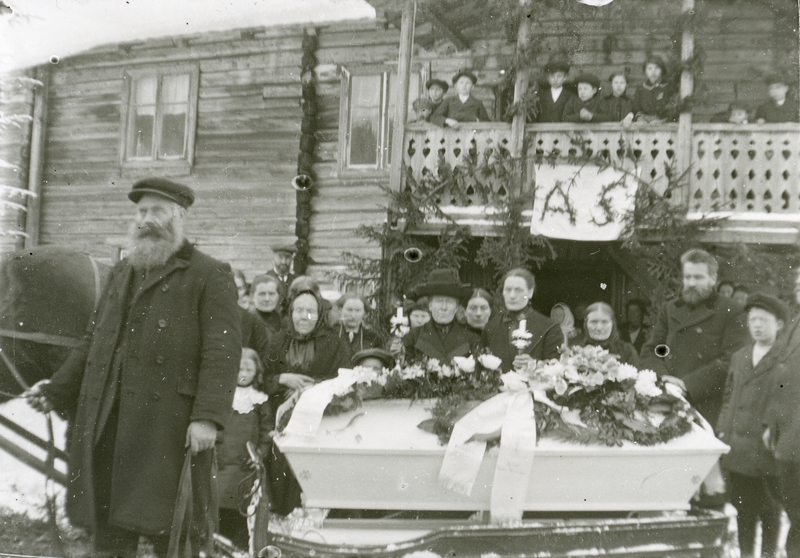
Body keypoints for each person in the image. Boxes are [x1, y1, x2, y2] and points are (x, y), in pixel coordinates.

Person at [25, 177, 242, 557]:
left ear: (179, 216)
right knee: (109, 530)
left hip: (167, 429)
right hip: (111, 423)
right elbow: (94, 342)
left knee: (172, 535)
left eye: (156, 210)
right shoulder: (123, 271)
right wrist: (55, 389)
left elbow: (222, 353)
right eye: (141, 211)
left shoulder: (209, 274)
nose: (146, 219)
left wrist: (208, 417)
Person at [263, 288, 350, 515]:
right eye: (298, 310)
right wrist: (282, 378)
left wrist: (311, 390)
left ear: (319, 314)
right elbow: (260, 378)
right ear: (291, 313)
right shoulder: (277, 342)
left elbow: (345, 380)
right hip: (282, 423)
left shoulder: (334, 344)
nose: (304, 316)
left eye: (310, 311)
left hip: (319, 423)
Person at [717, 293, 787, 558]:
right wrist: (723, 428)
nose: (757, 325)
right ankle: (746, 553)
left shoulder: (788, 357)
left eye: (764, 320)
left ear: (779, 325)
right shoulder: (740, 356)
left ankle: (768, 554)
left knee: (769, 509)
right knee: (744, 510)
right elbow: (728, 395)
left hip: (769, 448)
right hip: (739, 447)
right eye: (753, 319)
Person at [217, 348, 273, 550]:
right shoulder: (222, 397)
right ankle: (217, 544)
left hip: (245, 464)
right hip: (222, 459)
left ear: (256, 372)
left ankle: (239, 547)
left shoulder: (260, 400)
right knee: (217, 501)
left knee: (241, 505)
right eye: (240, 369)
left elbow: (267, 431)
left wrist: (259, 454)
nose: (243, 374)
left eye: (248, 369)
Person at [763, 269, 800, 558]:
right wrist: (771, 424)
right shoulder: (794, 324)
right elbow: (782, 376)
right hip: (788, 432)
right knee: (792, 499)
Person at [481, 268, 562, 371]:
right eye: (508, 289)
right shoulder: (491, 326)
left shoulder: (550, 327)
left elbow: (557, 369)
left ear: (530, 293)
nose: (512, 295)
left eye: (518, 290)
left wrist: (535, 364)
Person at [402, 269, 480, 363]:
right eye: (439, 301)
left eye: (449, 302)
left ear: (456, 307)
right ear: (430, 305)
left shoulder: (472, 340)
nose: (444, 307)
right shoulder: (412, 338)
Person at [570, 302, 639, 366]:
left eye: (604, 322)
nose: (599, 328)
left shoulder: (627, 351)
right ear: (585, 324)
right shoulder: (576, 349)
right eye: (593, 322)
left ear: (613, 324)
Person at [632, 56, 676, 124]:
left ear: (662, 70)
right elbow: (636, 108)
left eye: (657, 68)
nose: (653, 71)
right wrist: (640, 119)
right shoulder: (641, 89)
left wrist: (661, 121)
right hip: (645, 126)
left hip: (665, 126)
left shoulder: (669, 88)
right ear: (645, 71)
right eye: (650, 68)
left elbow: (673, 110)